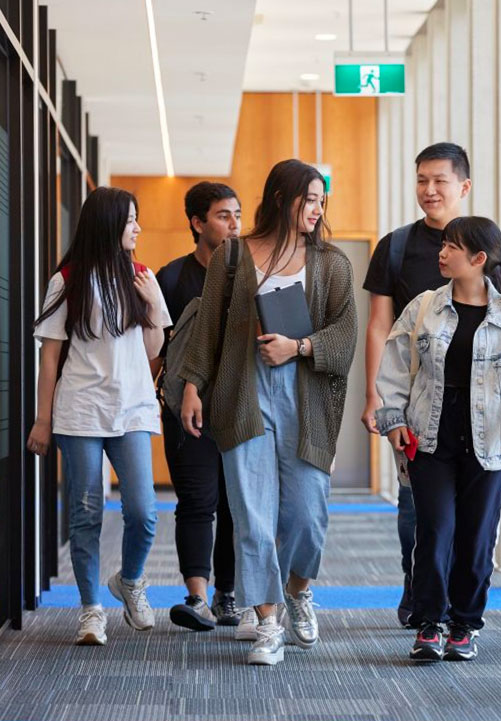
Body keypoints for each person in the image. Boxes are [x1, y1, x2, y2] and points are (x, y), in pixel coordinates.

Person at [179, 159, 357, 666]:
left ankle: (298, 590)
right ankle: (268, 625)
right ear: (281, 198)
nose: (317, 209)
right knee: (253, 518)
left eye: (323, 200)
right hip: (242, 394)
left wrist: (298, 347)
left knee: (306, 516)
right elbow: (209, 326)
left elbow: (343, 337)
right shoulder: (232, 256)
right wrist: (193, 386)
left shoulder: (332, 263)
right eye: (310, 199)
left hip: (306, 397)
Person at [361, 142, 501, 627]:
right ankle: (422, 594)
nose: (429, 190)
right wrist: (376, 394)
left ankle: (453, 611)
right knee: (419, 510)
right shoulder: (394, 246)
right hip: (417, 402)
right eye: (421, 180)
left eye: (439, 181)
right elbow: (379, 326)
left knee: (469, 522)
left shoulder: (490, 244)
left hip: (478, 408)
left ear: (463, 187)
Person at [376, 216, 501, 662]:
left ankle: (465, 624)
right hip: (430, 436)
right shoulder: (423, 307)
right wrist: (393, 418)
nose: (442, 253)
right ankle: (429, 622)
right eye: (443, 245)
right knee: (435, 530)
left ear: (478, 259)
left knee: (476, 537)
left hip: (489, 439)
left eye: (453, 247)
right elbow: (395, 366)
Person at [27, 187, 172, 646]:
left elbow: (154, 353)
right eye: (131, 220)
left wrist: (151, 304)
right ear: (109, 223)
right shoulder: (67, 279)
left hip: (131, 409)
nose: (138, 228)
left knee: (144, 513)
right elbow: (50, 359)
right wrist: (42, 420)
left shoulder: (143, 277)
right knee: (85, 513)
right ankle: (91, 610)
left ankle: (130, 581)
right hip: (80, 411)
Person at [153, 182, 242, 633]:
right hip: (185, 410)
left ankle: (226, 593)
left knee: (232, 504)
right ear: (197, 222)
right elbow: (156, 348)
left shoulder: (248, 275)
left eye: (237, 215)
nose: (234, 224)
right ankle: (197, 597)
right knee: (196, 500)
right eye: (224, 216)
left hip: (238, 407)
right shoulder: (170, 278)